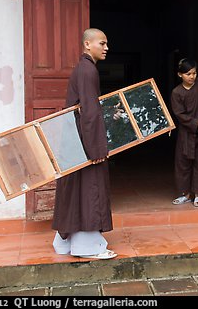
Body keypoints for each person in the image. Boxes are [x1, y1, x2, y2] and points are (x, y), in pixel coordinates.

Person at [51, 28, 117, 260]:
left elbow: (88, 108)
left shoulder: (82, 68)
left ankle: (64, 242)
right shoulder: (88, 70)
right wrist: (96, 148)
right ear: (87, 45)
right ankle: (87, 246)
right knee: (91, 189)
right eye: (102, 43)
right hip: (84, 141)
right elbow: (89, 112)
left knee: (74, 190)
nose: (106, 47)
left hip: (75, 138)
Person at [170, 58, 198, 207]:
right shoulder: (177, 92)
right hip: (186, 133)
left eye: (194, 73)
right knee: (183, 164)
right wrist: (197, 122)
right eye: (188, 74)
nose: (192, 76)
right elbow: (180, 115)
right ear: (180, 74)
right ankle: (185, 194)